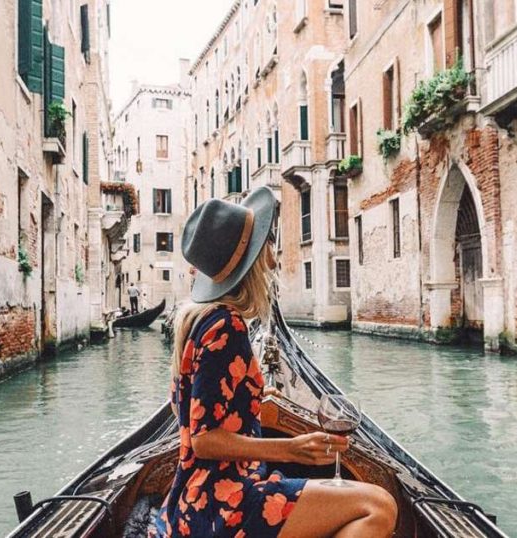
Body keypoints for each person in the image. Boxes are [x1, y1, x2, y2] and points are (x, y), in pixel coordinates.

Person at [154, 188, 397, 537]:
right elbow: (204, 440)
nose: (272, 255)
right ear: (251, 261)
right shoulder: (226, 326)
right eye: (266, 242)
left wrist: (252, 397)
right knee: (379, 506)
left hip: (198, 498)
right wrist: (292, 449)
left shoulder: (197, 321)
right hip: (222, 506)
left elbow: (192, 407)